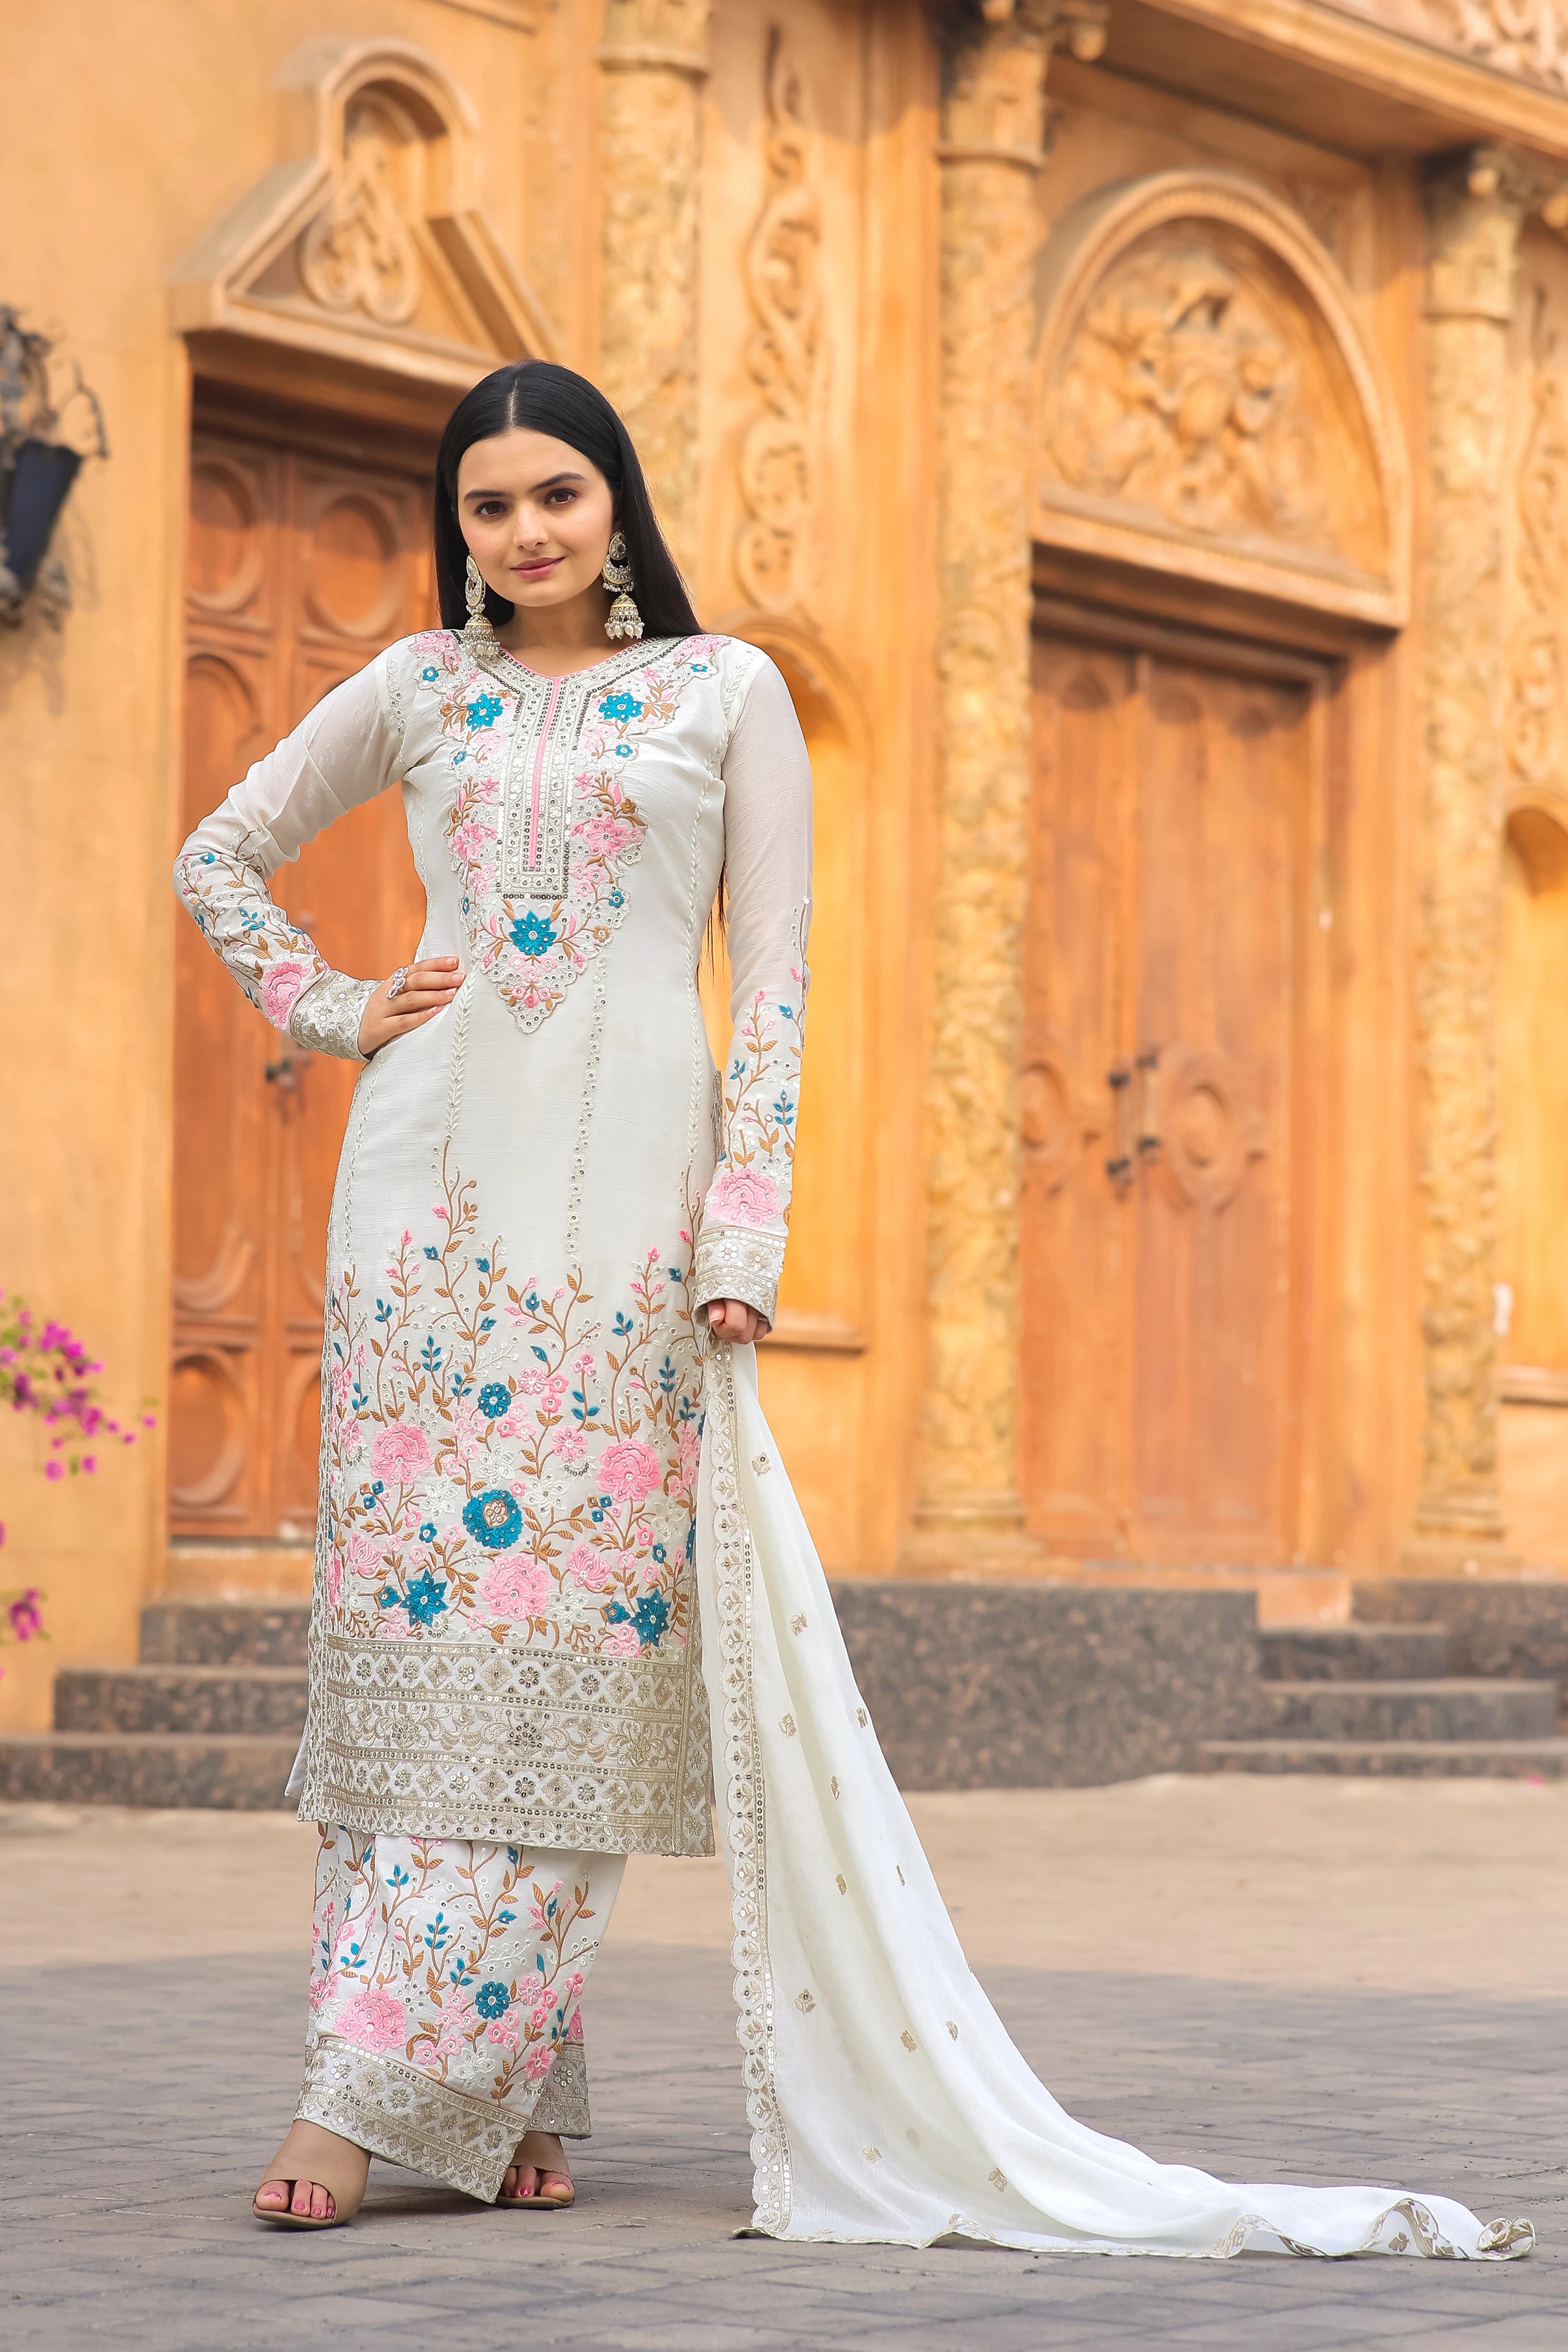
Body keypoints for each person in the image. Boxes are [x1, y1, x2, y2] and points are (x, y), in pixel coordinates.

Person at [176, 360, 1532, 2263]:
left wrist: (744, 1244)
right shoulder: (415, 686)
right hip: (417, 1211)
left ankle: (376, 2091)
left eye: (557, 494)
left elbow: (779, 985)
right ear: (457, 525)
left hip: (627, 1231)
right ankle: (482, 2088)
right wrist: (334, 1005)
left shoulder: (726, 693)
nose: (524, 533)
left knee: (571, 1642)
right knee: (418, 1644)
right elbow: (215, 851)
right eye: (487, 506)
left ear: (617, 501)